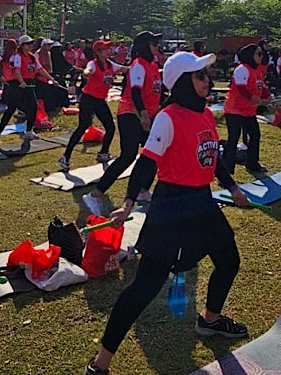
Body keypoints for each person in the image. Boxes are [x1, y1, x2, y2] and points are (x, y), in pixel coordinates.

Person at [84, 52, 250, 375]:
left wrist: (233, 187)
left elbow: (213, 158)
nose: (208, 80)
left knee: (229, 260)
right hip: (172, 207)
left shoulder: (204, 114)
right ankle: (101, 360)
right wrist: (129, 202)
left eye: (207, 73)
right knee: (145, 287)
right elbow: (146, 164)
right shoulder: (168, 117)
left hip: (202, 203)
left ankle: (210, 320)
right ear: (184, 82)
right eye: (201, 75)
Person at [82, 31, 162, 216]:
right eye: (154, 43)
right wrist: (143, 115)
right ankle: (95, 194)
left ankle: (142, 190)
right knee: (128, 156)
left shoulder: (152, 65)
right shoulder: (138, 66)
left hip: (146, 114)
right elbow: (135, 92)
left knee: (154, 153)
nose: (158, 46)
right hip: (131, 113)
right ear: (145, 45)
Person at [59, 40, 128, 171]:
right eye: (105, 49)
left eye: (109, 49)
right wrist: (86, 73)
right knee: (82, 127)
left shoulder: (110, 64)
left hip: (100, 100)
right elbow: (88, 70)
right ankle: (65, 156)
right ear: (98, 52)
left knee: (110, 127)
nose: (109, 51)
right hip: (88, 99)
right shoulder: (94, 63)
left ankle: (103, 153)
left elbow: (125, 69)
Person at [0, 34, 56, 145]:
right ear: (22, 45)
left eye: (31, 43)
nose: (31, 45)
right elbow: (17, 70)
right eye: (28, 44)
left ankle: (28, 131)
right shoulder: (17, 56)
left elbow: (40, 69)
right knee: (11, 109)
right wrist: (21, 82)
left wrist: (52, 79)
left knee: (34, 107)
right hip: (18, 84)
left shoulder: (32, 57)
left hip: (29, 83)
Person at [223, 44, 272, 174]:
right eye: (259, 54)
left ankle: (252, 164)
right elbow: (242, 89)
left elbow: (261, 87)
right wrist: (259, 101)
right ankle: (227, 170)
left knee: (255, 135)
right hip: (234, 110)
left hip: (248, 111)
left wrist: (269, 97)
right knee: (233, 138)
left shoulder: (257, 70)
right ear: (250, 55)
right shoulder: (242, 69)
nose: (261, 57)